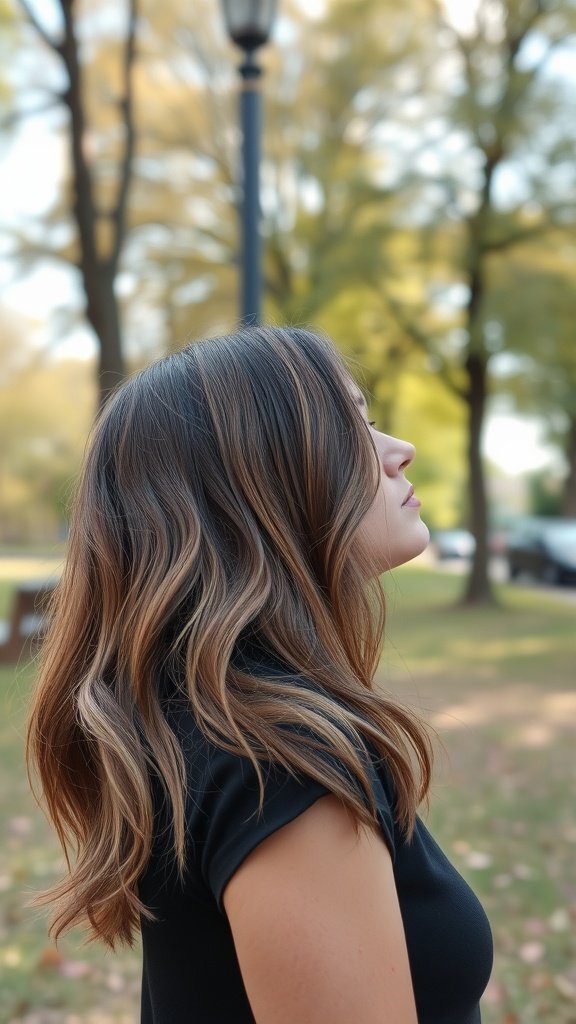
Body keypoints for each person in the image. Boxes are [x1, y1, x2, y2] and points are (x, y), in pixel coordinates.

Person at [26, 326, 493, 1023]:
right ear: (256, 483)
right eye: (357, 425)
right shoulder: (280, 759)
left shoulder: (209, 724)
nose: (400, 451)